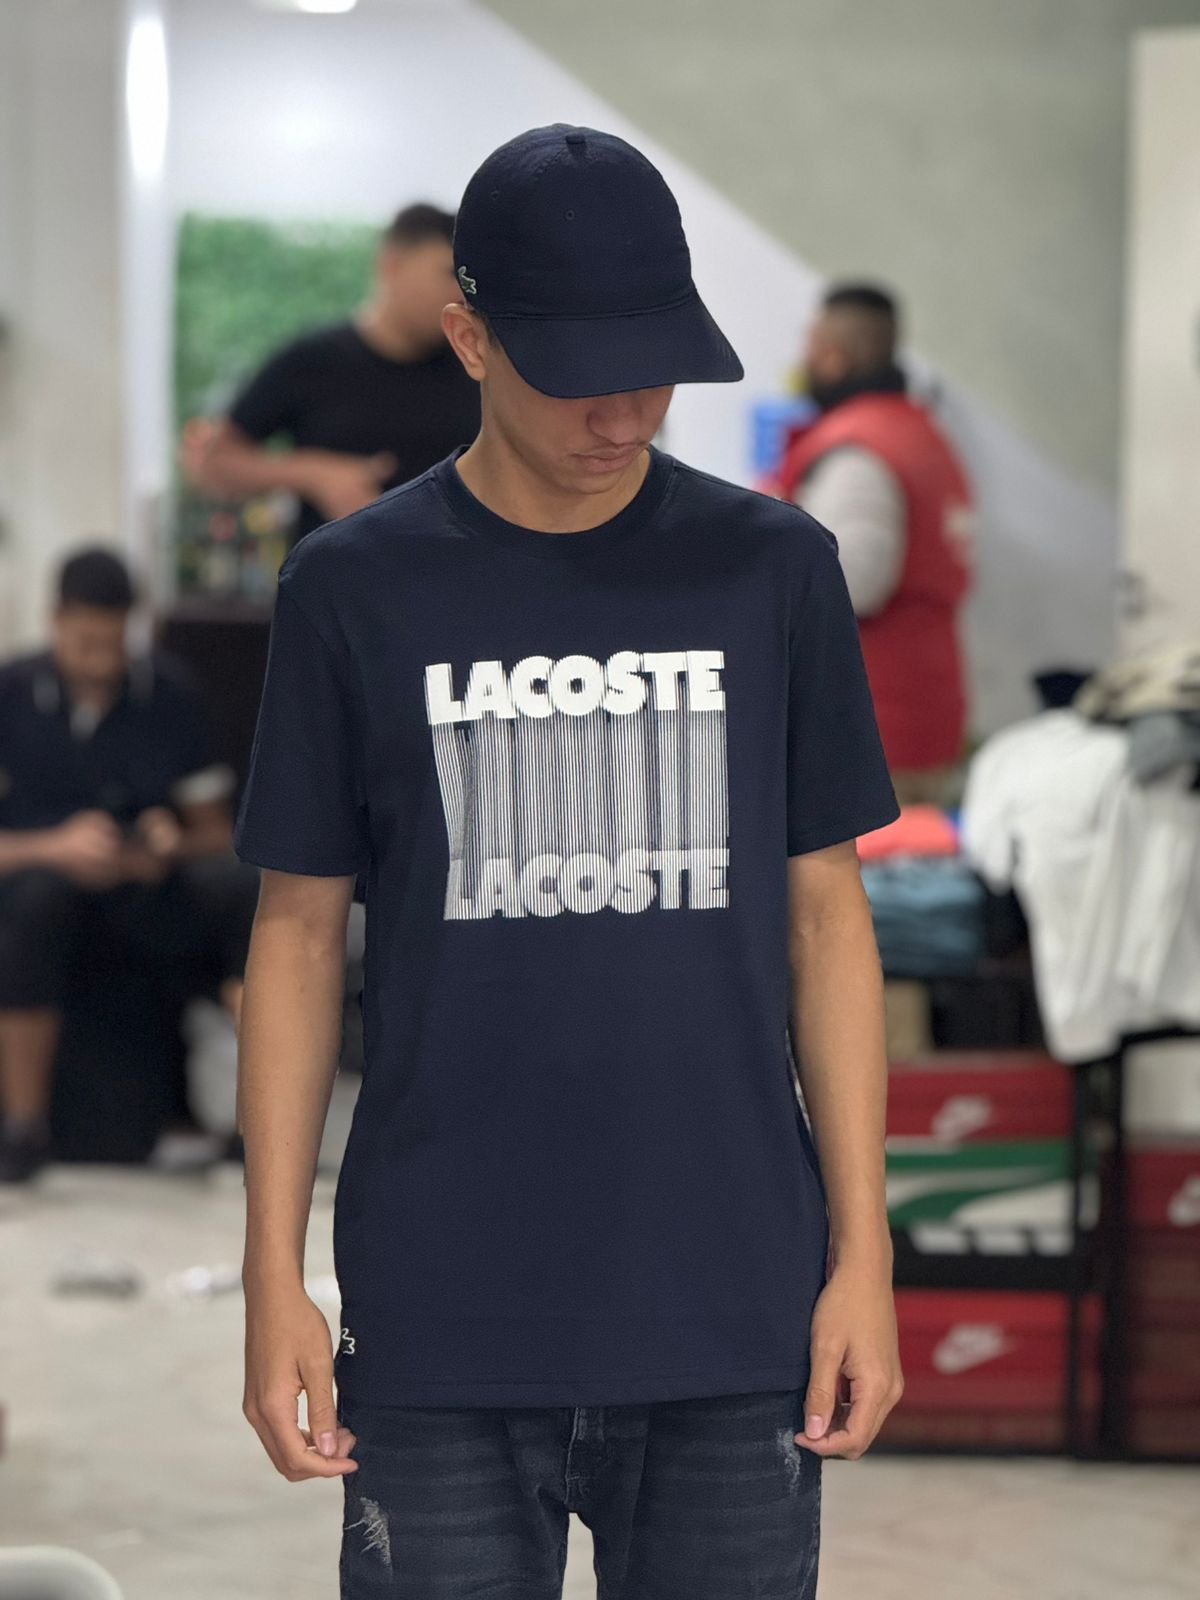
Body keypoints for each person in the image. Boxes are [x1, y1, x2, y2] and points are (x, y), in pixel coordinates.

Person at [234, 125, 904, 1598]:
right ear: (469, 337)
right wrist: (271, 1272)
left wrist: (865, 1255)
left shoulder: (774, 570)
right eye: (577, 375)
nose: (623, 415)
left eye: (654, 371)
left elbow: (825, 919)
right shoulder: (352, 588)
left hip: (733, 1304)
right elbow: (295, 937)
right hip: (443, 1312)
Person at [0, 547, 260, 1184]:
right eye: (87, 643)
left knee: (244, 891)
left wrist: (170, 843)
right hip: (42, 890)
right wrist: (54, 847)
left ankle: (258, 1122)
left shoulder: (169, 692)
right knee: (35, 900)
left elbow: (216, 830)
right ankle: (23, 1126)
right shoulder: (11, 694)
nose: (102, 661)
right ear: (57, 620)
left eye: (114, 643)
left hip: (148, 887)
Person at [768, 283, 976, 804]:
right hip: (925, 713)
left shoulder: (855, 451)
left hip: (871, 727)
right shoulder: (922, 434)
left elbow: (851, 581)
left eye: (811, 348)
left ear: (833, 356)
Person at [181, 203, 481, 551]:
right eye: (447, 274)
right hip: (338, 579)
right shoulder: (312, 362)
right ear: (393, 265)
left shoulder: (478, 368)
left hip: (457, 576)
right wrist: (313, 473)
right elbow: (213, 465)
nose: (460, 293)